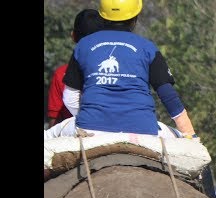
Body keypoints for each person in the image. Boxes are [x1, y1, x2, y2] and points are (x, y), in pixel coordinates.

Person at [53, 0, 198, 140]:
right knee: (185, 141)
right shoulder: (148, 47)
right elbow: (168, 96)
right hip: (143, 129)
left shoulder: (83, 45)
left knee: (49, 137)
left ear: (102, 16)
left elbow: (70, 97)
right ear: (134, 19)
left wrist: (87, 117)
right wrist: (190, 134)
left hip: (90, 127)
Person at [46, 9, 101, 128]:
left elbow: (54, 123)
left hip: (75, 133)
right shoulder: (118, 72)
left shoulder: (61, 74)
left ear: (73, 36)